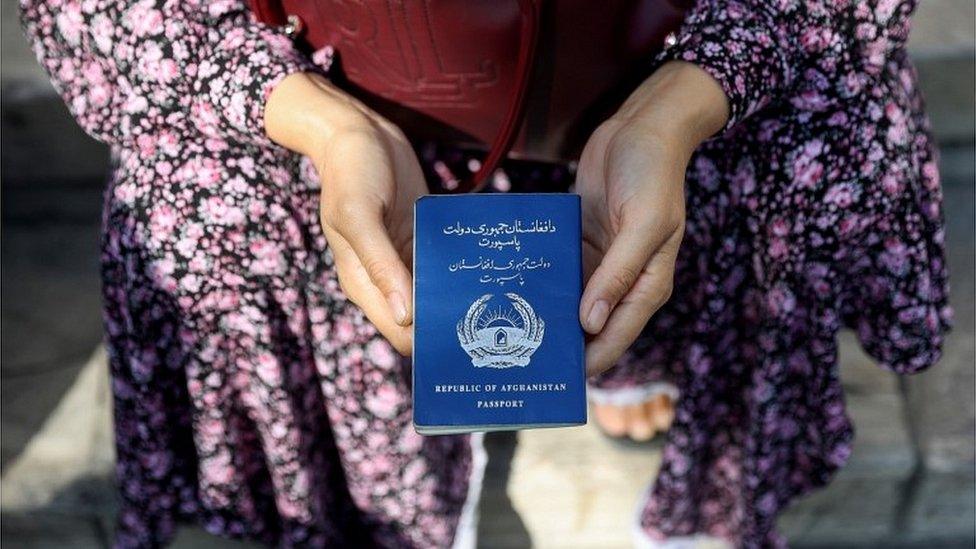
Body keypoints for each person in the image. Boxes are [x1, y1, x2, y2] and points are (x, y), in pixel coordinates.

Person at [20, 0, 949, 548]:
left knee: (786, 163)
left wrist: (678, 106)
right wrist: (322, 123)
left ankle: (631, 358)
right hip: (324, 70)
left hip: (667, 50)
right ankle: (389, 471)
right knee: (220, 211)